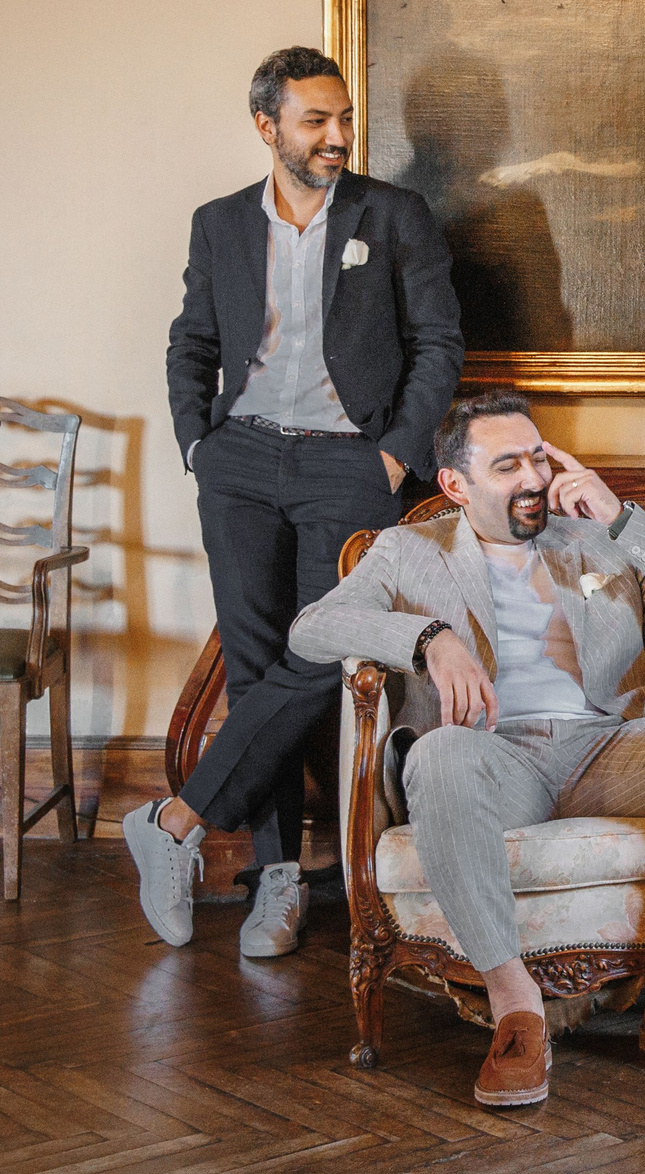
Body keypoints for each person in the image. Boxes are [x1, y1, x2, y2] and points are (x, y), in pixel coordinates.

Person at [287, 391, 645, 1108]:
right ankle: (515, 1006)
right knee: (435, 756)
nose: (532, 478)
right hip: (496, 758)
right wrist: (429, 639)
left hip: (610, 749)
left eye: (537, 457)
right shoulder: (407, 551)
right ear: (455, 484)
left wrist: (620, 516)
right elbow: (312, 629)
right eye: (507, 465)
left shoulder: (593, 537)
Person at [136, 47, 463, 959]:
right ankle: (275, 878)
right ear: (266, 127)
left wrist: (396, 457)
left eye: (344, 118)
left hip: (350, 466)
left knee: (321, 652)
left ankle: (177, 819)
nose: (337, 137)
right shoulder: (220, 225)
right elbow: (191, 340)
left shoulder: (392, 216)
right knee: (253, 665)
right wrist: (198, 441)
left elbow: (439, 341)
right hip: (238, 462)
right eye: (316, 121)